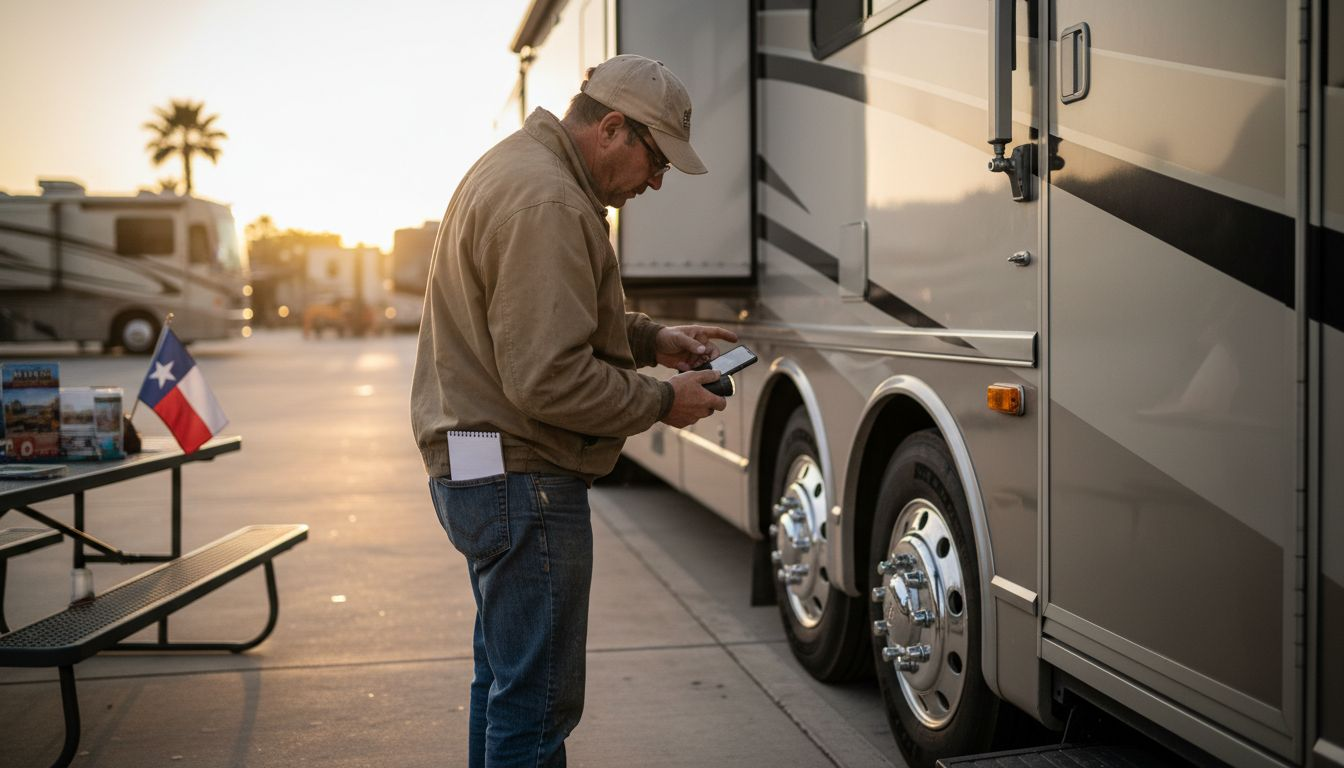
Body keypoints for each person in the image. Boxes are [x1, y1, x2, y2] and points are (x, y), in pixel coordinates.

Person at [410, 54, 737, 767]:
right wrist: (662, 400)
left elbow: (534, 320)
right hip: (523, 478)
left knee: (506, 686)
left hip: (483, 466)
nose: (656, 182)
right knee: (535, 711)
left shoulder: (517, 169)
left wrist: (650, 339)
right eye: (656, 160)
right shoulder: (550, 202)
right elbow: (548, 378)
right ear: (612, 128)